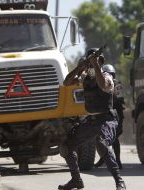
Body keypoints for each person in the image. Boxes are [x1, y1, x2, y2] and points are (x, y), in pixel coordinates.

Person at [58, 48, 126, 190]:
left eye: (98, 61)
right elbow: (67, 82)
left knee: (101, 144)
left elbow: (102, 85)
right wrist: (79, 67)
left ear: (101, 63)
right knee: (66, 147)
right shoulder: (85, 77)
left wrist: (94, 63)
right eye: (92, 62)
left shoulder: (107, 78)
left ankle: (119, 182)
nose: (94, 65)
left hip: (107, 120)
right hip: (91, 121)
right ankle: (76, 180)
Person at [94, 64, 125, 170]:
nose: (109, 76)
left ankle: (118, 160)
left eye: (111, 74)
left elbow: (118, 101)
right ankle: (103, 159)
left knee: (114, 138)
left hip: (115, 115)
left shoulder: (117, 85)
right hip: (105, 113)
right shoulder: (101, 83)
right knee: (102, 138)